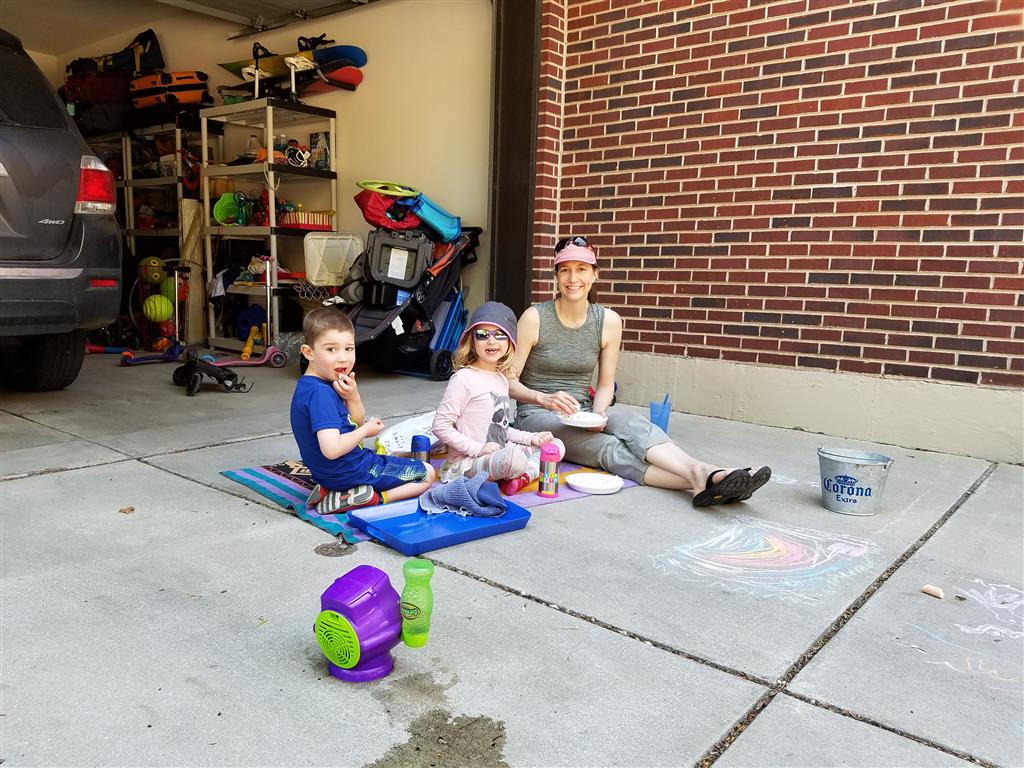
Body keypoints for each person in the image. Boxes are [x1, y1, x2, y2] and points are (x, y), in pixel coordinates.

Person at [509, 236, 771, 507]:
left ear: (595, 274)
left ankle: (705, 475)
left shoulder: (608, 321)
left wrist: (598, 414)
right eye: (565, 269)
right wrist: (544, 399)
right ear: (556, 275)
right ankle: (712, 478)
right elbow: (507, 382)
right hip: (537, 416)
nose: (573, 278)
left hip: (583, 410)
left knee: (634, 424)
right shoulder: (535, 317)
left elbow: (605, 384)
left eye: (582, 269)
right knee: (608, 447)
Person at [290, 308, 435, 513]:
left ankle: (334, 490)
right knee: (427, 473)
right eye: (331, 349)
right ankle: (372, 498)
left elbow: (356, 421)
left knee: (393, 459)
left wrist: (353, 397)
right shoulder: (320, 394)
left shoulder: (311, 385)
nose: (343, 358)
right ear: (308, 353)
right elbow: (332, 449)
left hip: (326, 474)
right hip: (351, 470)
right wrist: (366, 431)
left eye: (349, 348)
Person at [432, 301, 565, 496]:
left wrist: (532, 438)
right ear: (472, 340)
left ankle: (520, 478)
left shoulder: (502, 379)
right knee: (512, 460)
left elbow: (500, 429)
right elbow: (440, 426)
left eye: (500, 334)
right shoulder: (463, 379)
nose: (491, 341)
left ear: (510, 341)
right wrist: (478, 449)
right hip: (469, 462)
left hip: (500, 453)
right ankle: (520, 472)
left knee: (554, 447)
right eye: (482, 334)